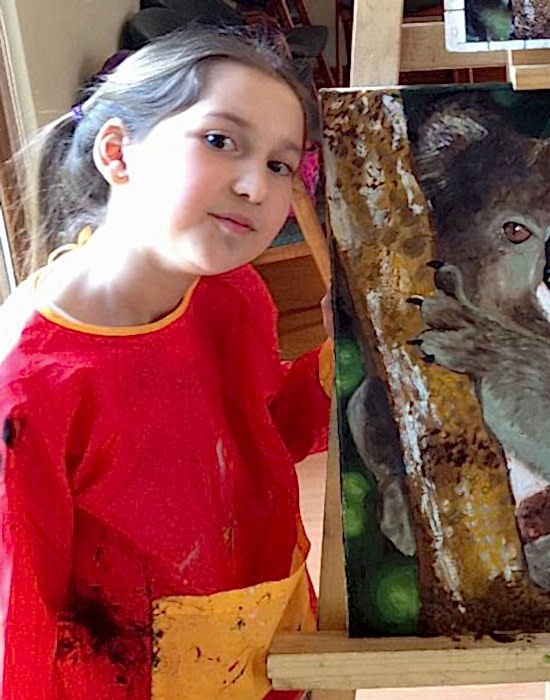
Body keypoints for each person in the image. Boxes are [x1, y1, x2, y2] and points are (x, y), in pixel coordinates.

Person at [0, 25, 332, 699]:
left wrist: (346, 356)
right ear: (117, 152)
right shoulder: (29, 389)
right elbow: (19, 629)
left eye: (279, 165)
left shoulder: (230, 293)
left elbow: (267, 437)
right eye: (220, 140)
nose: (255, 186)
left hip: (267, 650)